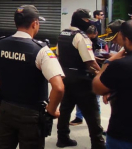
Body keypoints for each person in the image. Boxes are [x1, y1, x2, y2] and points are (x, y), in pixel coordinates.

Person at [0, 5, 65, 149]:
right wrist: (51, 111)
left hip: (5, 110)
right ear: (34, 24)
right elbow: (58, 87)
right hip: (31, 116)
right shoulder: (41, 51)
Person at [56, 9, 105, 148]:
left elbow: (62, 55)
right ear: (80, 20)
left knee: (65, 110)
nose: (89, 23)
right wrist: (102, 73)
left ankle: (62, 138)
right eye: (87, 20)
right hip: (82, 80)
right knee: (92, 113)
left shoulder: (63, 33)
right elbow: (89, 62)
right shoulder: (81, 36)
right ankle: (98, 144)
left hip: (66, 77)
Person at [93, 20, 132, 148]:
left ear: (125, 38)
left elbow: (97, 87)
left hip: (123, 135)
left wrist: (108, 62)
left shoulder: (120, 65)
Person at [69, 25, 107, 126]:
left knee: (96, 99)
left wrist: (101, 72)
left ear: (96, 34)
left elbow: (104, 57)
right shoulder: (83, 41)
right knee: (80, 97)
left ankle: (96, 120)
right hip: (85, 72)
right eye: (88, 36)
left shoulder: (102, 44)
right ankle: (79, 117)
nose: (90, 38)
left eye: (92, 36)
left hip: (97, 72)